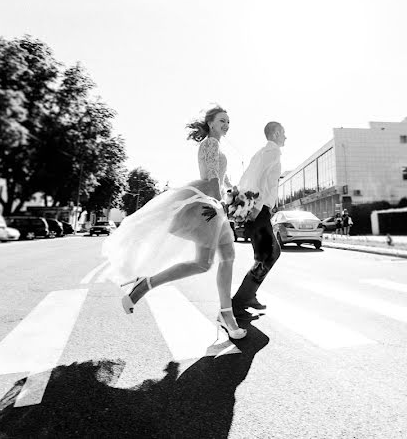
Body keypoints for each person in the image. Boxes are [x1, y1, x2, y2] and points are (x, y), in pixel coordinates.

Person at [101, 106, 246, 340]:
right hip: (209, 205)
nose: (226, 125)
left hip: (214, 203)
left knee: (227, 258)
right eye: (222, 120)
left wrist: (237, 195)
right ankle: (144, 285)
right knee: (203, 264)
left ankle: (226, 314)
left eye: (228, 121)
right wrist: (218, 205)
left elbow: (221, 179)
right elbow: (211, 179)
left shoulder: (215, 146)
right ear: (210, 123)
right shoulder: (210, 143)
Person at [231, 121, 286, 316]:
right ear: (277, 133)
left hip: (259, 209)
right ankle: (240, 300)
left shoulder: (262, 153)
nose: (286, 137)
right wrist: (257, 206)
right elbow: (258, 180)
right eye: (284, 133)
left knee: (265, 254)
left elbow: (248, 178)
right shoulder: (272, 152)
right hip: (259, 210)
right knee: (270, 253)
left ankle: (247, 295)